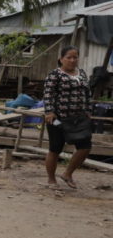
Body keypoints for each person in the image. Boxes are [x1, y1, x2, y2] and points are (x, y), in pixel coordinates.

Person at [43, 45, 92, 189]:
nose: (72, 60)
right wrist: (49, 112)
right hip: (58, 118)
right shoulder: (55, 75)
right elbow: (48, 94)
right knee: (55, 148)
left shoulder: (82, 73)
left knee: (85, 147)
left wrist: (88, 110)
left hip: (79, 118)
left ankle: (67, 173)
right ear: (61, 59)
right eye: (68, 57)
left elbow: (87, 93)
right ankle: (51, 179)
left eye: (75, 57)